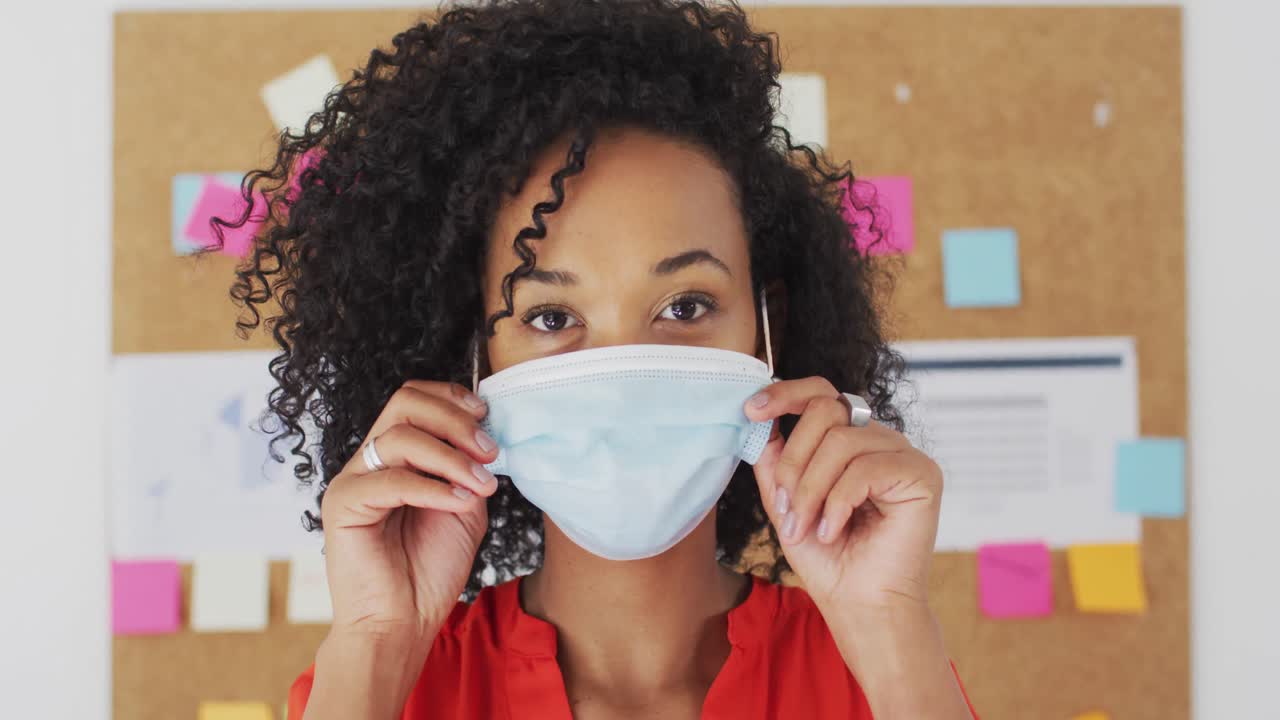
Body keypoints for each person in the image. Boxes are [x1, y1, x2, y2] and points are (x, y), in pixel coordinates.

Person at [214, 0, 979, 717]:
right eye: (551, 316)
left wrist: (890, 626)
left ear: (766, 327)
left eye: (685, 306)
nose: (624, 376)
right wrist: (376, 640)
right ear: (476, 359)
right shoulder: (376, 684)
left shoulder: (882, 674)